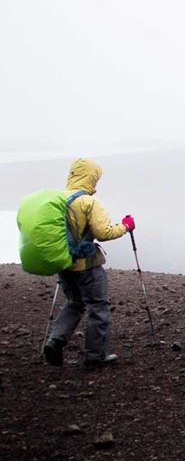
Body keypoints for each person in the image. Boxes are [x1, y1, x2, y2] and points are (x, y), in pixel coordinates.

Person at [43, 158, 134, 370]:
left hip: (63, 262)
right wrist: (126, 226)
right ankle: (95, 357)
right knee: (98, 307)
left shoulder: (57, 200)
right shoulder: (88, 202)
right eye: (96, 178)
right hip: (86, 266)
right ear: (91, 177)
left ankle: (55, 341)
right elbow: (104, 233)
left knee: (74, 303)